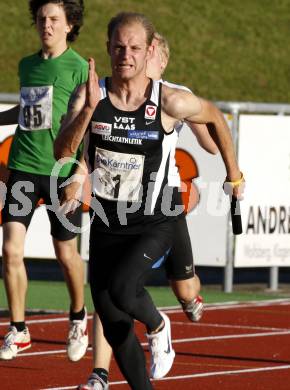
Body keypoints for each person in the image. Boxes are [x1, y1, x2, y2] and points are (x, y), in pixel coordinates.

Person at [54, 12, 244, 390]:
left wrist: (234, 173)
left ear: (149, 51)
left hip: (155, 221)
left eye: (135, 48)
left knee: (125, 289)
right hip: (107, 224)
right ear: (108, 48)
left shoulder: (170, 101)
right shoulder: (90, 95)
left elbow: (217, 119)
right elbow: (63, 151)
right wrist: (88, 111)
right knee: (110, 315)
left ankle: (159, 324)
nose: (126, 54)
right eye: (119, 47)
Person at [78, 31, 214, 390]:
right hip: (114, 210)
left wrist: (205, 131)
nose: (136, 62)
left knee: (182, 288)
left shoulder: (172, 96)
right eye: (126, 51)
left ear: (159, 59)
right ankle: (101, 371)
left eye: (145, 54)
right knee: (110, 296)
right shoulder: (109, 93)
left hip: (164, 203)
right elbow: (86, 144)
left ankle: (182, 305)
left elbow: (210, 137)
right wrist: (79, 169)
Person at [0, 0, 89, 362]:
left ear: (70, 25)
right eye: (41, 19)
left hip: (60, 173)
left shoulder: (81, 68)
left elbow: (92, 127)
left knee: (66, 254)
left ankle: (78, 317)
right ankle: (19, 329)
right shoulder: (28, 64)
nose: (46, 25)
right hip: (22, 165)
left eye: (54, 19)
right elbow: (28, 111)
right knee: (10, 251)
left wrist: (81, 172)